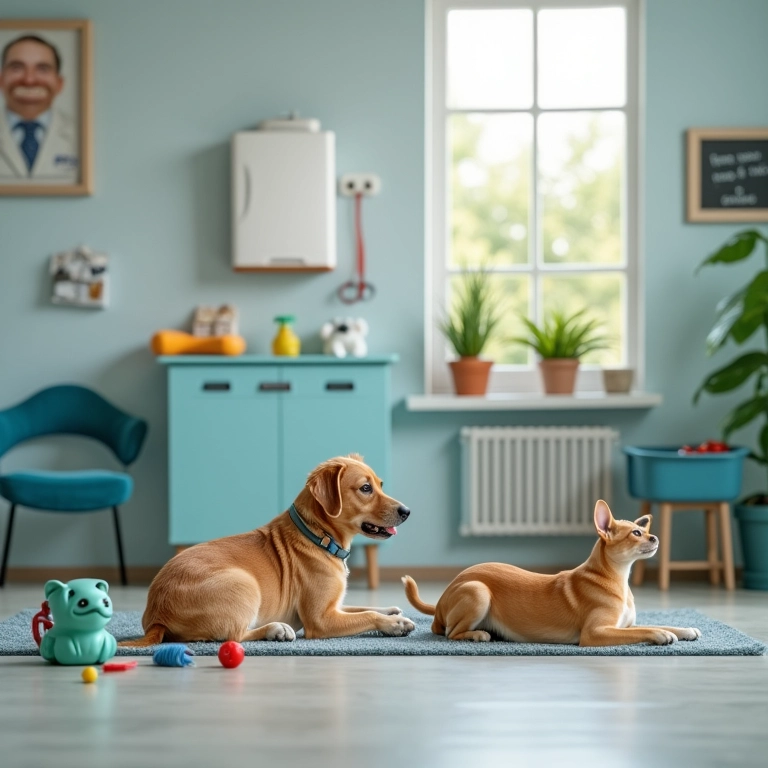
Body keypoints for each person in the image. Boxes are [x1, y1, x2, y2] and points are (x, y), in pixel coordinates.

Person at [0, 34, 78, 182]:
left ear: (59, 83)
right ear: (1, 80)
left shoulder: (84, 135)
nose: (29, 80)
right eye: (17, 68)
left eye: (42, 69)